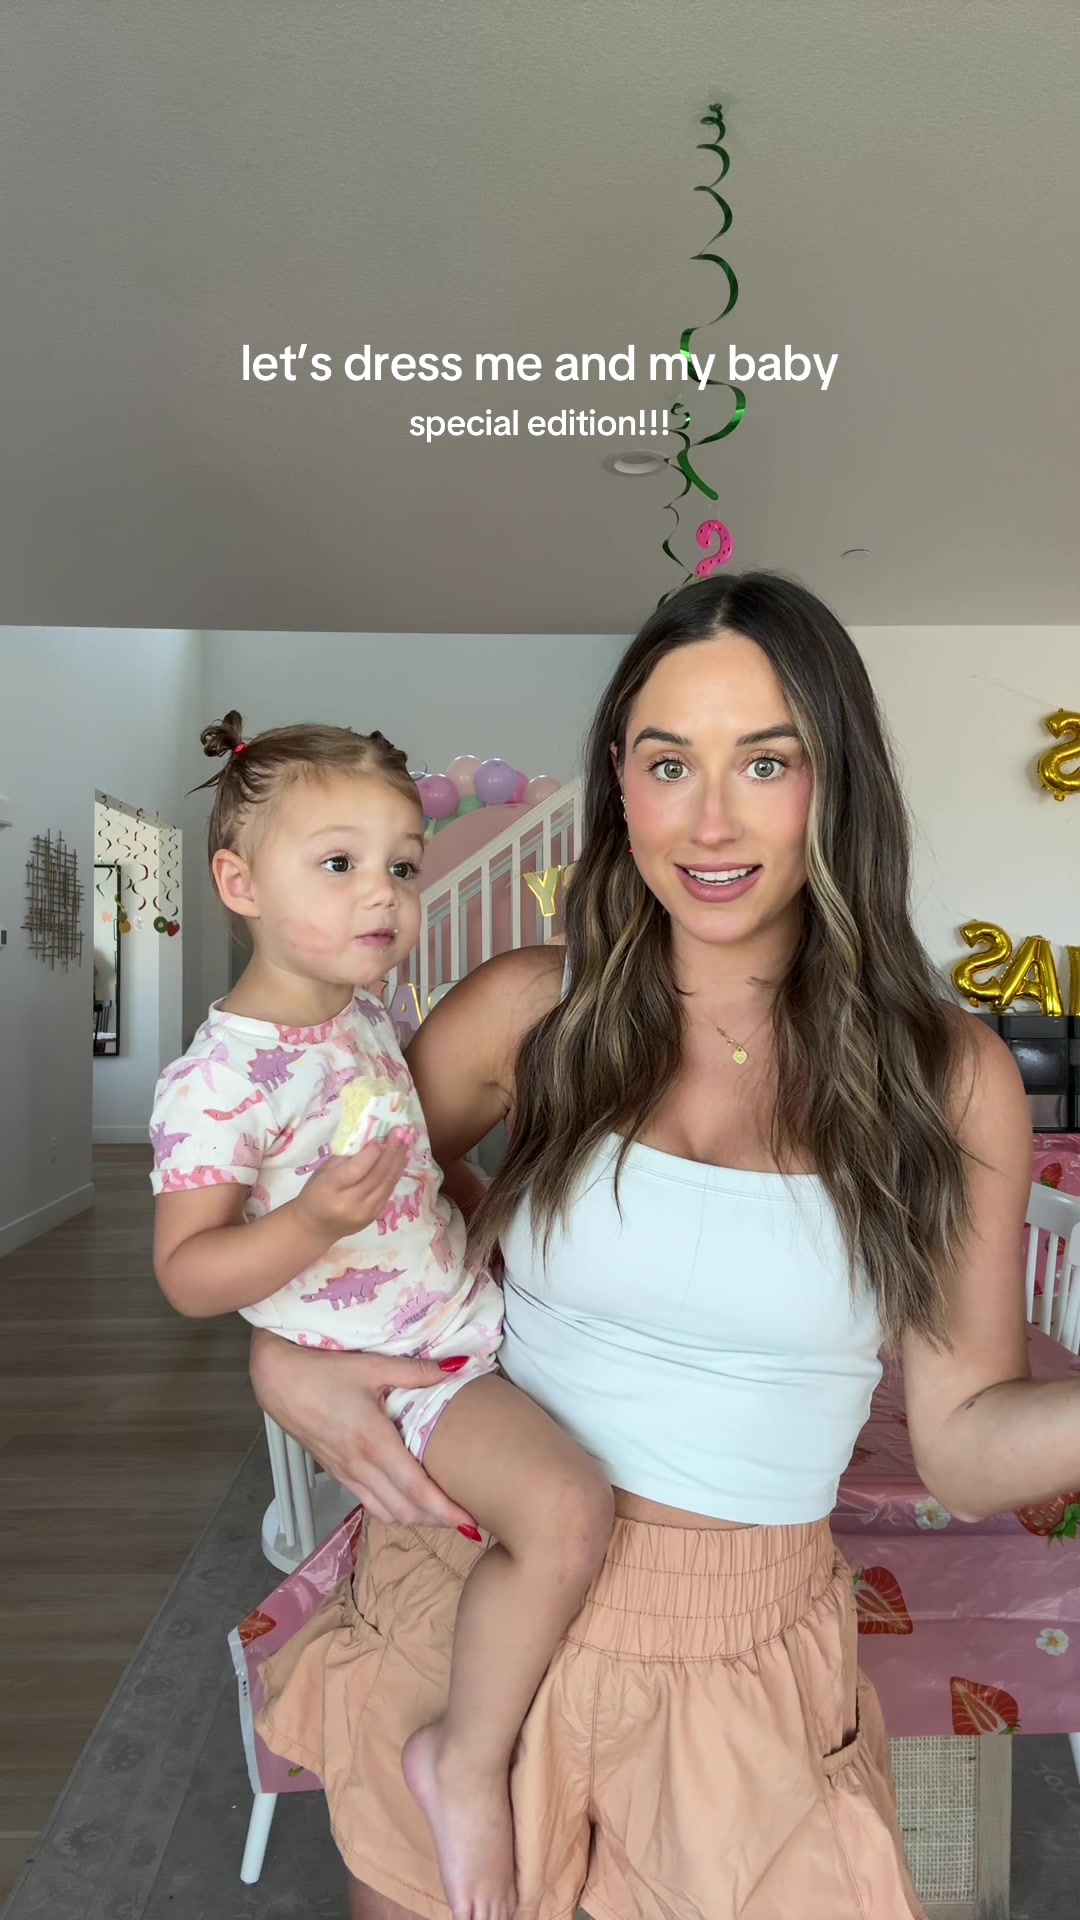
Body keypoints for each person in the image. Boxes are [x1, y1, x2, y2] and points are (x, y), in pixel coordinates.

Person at [251, 572, 1080, 1920]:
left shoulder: (943, 1076)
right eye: (668, 763)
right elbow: (315, 1214)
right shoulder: (531, 1013)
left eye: (767, 762)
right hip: (471, 1597)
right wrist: (284, 1359)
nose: (710, 822)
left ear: (836, 784)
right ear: (619, 786)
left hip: (741, 1653)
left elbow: (967, 1442)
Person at [148, 712, 615, 1920]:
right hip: (411, 1374)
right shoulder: (218, 1082)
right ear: (241, 885)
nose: (385, 895)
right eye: (340, 863)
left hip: (464, 1323)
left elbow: (420, 1166)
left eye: (402, 867)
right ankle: (462, 1763)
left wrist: (482, 1214)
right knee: (567, 1511)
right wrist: (308, 1223)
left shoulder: (364, 1019)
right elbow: (188, 1275)